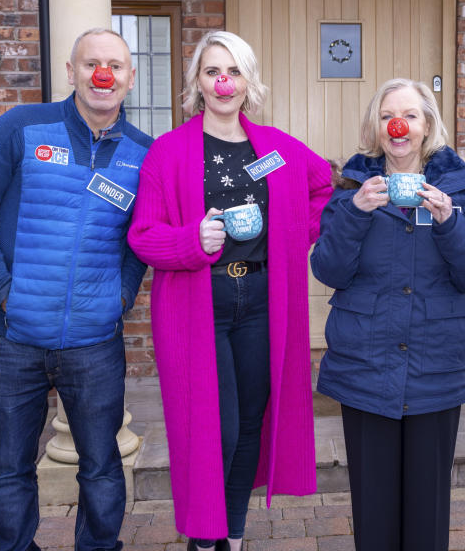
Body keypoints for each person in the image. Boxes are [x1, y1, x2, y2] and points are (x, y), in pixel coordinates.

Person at [127, 30, 332, 551]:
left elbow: (322, 187)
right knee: (210, 426)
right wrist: (191, 240)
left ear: (248, 81)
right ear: (197, 81)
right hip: (199, 303)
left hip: (262, 301)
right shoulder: (170, 152)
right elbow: (144, 235)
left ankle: (232, 535)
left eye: (234, 71)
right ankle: (203, 534)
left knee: (247, 425)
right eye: (212, 71)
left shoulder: (278, 149)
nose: (223, 82)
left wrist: (292, 236)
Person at [0, 27, 153, 551]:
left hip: (94, 344)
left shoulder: (143, 154)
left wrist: (120, 298)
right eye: (90, 64)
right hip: (12, 339)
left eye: (113, 65)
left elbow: (140, 240)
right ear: (71, 72)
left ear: (130, 79)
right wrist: (2, 291)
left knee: (102, 468)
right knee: (11, 468)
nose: (101, 74)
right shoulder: (21, 128)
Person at [310, 78, 465, 551]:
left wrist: (449, 222)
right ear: (376, 129)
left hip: (434, 368)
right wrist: (355, 212)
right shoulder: (351, 188)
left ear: (426, 125)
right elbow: (327, 269)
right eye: (387, 116)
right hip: (365, 367)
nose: (398, 125)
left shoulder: (457, 188)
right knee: (373, 514)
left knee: (426, 515)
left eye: (410, 115)